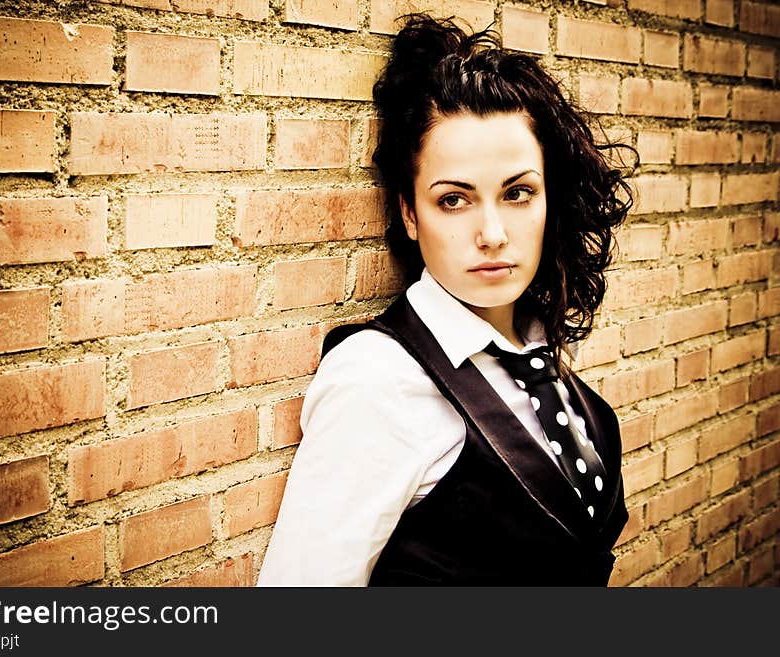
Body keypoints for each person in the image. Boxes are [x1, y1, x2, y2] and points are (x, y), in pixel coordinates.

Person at [257, 14, 636, 586]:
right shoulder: (378, 378)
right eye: (454, 200)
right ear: (410, 214)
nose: (492, 234)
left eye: (517, 193)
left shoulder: (535, 348)